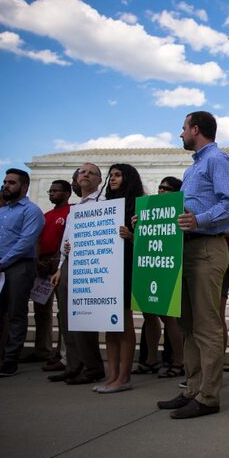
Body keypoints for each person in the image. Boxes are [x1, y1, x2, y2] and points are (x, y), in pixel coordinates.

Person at [156, 111, 229, 419]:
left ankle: (209, 396)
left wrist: (199, 220)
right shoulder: (195, 168)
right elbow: (183, 210)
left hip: (208, 247)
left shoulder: (217, 160)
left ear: (195, 129)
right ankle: (192, 388)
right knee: (188, 325)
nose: (180, 135)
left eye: (182, 128)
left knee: (206, 326)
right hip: (188, 250)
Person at [49, 163, 107, 385]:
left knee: (84, 318)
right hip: (68, 265)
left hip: (89, 265)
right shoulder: (75, 209)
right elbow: (67, 240)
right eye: (82, 172)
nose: (85, 175)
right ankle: (73, 365)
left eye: (91, 173)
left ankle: (92, 367)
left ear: (99, 180)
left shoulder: (104, 204)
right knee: (66, 318)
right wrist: (60, 267)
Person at [92, 164, 143, 393]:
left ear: (128, 178)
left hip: (126, 267)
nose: (112, 179)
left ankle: (124, 376)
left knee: (123, 322)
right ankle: (111, 375)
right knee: (108, 324)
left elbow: (151, 244)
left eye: (118, 175)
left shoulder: (139, 207)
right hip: (106, 269)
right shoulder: (103, 207)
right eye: (111, 175)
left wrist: (131, 236)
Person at [0, 168, 44, 376]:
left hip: (19, 267)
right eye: (5, 182)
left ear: (24, 187)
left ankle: (10, 360)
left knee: (16, 314)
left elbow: (26, 242)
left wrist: (1, 263)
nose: (6, 186)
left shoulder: (32, 211)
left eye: (11, 183)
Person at [136, 176, 184, 377]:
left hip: (169, 267)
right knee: (149, 314)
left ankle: (178, 361)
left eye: (167, 188)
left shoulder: (180, 210)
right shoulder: (149, 210)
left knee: (169, 317)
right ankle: (151, 359)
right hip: (150, 265)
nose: (162, 191)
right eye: (160, 187)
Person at [26, 180, 71, 365]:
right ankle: (42, 349)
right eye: (50, 191)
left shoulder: (71, 212)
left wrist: (55, 260)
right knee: (41, 311)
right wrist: (38, 260)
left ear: (67, 193)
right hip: (42, 268)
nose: (51, 194)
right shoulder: (46, 215)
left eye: (56, 191)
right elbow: (38, 239)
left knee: (63, 312)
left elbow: (65, 238)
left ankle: (62, 353)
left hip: (58, 266)